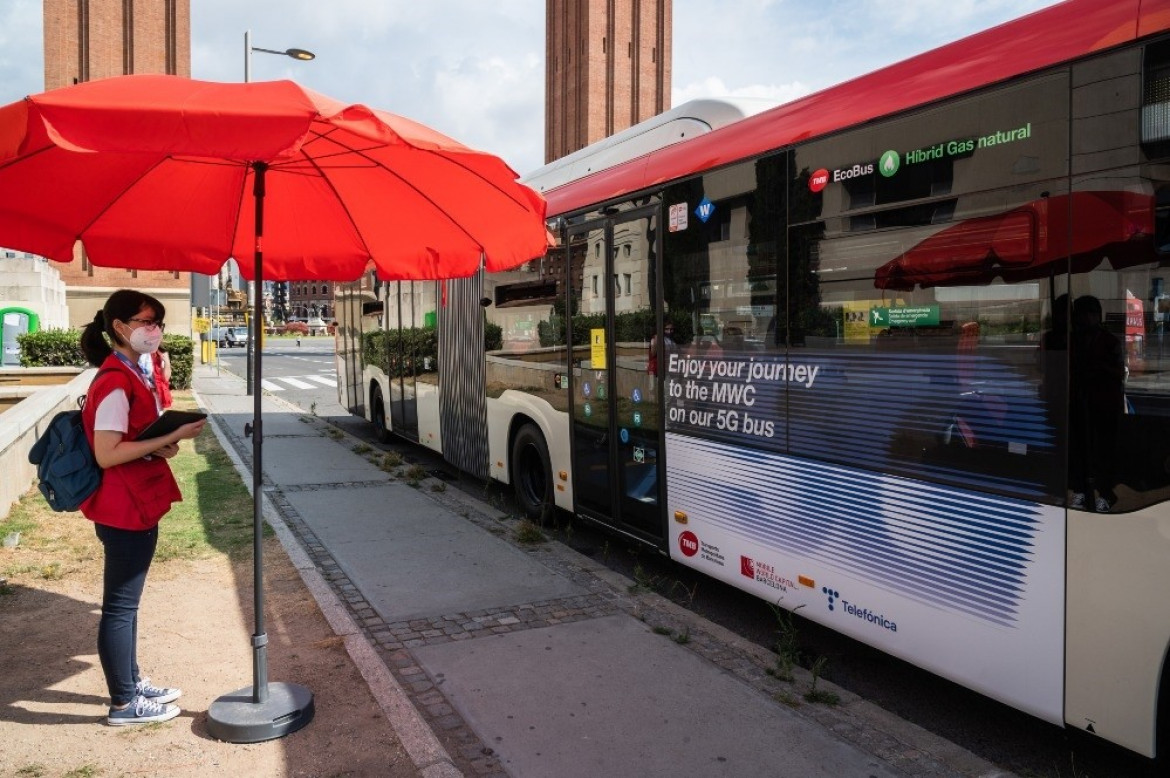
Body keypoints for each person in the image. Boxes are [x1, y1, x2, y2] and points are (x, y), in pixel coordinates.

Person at [79, 289, 206, 725]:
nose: (154, 330)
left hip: (133, 501)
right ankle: (123, 703)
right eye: (147, 321)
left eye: (158, 323)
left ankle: (131, 682)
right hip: (123, 507)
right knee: (119, 606)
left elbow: (132, 439)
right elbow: (108, 453)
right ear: (120, 327)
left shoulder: (130, 371)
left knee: (125, 605)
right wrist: (173, 439)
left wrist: (161, 446)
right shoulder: (115, 379)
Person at [1068, 295, 1125, 512]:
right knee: (1079, 448)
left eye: (1092, 313)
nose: (1088, 318)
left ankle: (1105, 492)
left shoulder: (1110, 341)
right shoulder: (1073, 340)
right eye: (1083, 314)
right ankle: (1081, 489)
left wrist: (1099, 368)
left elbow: (1119, 372)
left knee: (1104, 449)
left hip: (1103, 404)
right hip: (1079, 402)